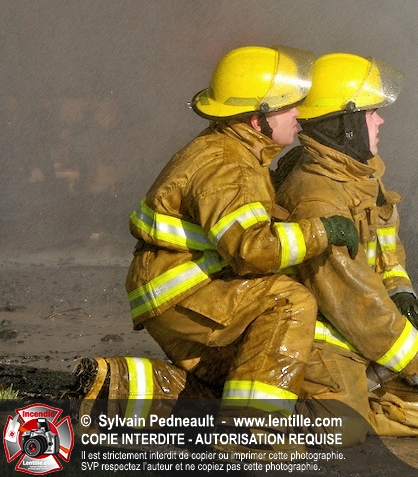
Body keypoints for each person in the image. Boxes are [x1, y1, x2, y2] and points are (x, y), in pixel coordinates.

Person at [74, 46, 360, 426]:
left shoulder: (235, 150)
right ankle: (250, 436)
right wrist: (323, 230)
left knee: (246, 370)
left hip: (174, 291)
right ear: (258, 118)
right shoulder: (229, 166)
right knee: (288, 302)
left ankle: (117, 387)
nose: (298, 113)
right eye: (288, 106)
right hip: (184, 290)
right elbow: (251, 249)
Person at [274, 52, 418, 446]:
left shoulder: (359, 172)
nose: (380, 121)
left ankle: (345, 400)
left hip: (361, 331)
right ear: (345, 124)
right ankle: (258, 411)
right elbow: (351, 297)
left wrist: (401, 292)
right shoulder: (316, 196)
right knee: (342, 429)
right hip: (319, 340)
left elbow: (385, 244)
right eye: (371, 112)